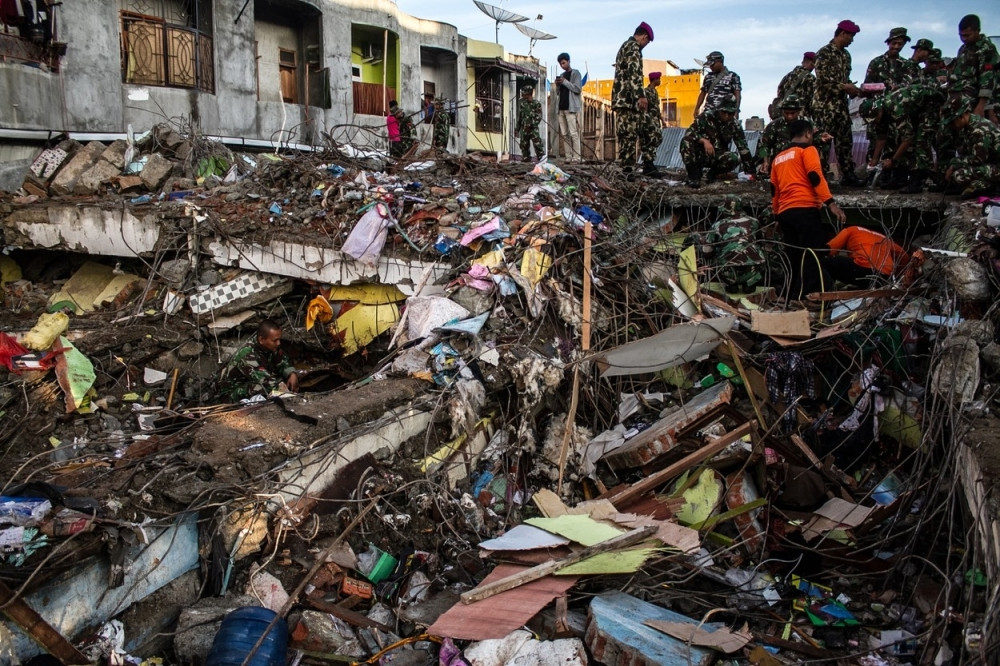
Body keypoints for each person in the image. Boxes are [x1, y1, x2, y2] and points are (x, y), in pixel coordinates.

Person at [770, 118, 846, 296]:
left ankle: (792, 294)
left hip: (785, 213)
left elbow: (774, 189)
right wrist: (831, 203)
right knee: (812, 254)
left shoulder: (778, 158)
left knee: (793, 256)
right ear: (807, 133)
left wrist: (776, 215)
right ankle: (808, 294)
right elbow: (815, 176)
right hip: (805, 209)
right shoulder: (808, 150)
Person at [860, 82, 946, 193]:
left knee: (922, 140)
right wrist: (875, 158)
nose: (875, 121)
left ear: (879, 111)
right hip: (915, 109)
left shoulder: (894, 107)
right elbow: (881, 137)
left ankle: (918, 180)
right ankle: (902, 177)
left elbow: (908, 138)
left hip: (931, 104)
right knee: (898, 139)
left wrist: (892, 160)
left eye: (874, 118)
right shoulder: (880, 114)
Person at [813, 19, 865, 186]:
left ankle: (848, 174)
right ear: (843, 34)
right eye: (851, 36)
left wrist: (853, 89)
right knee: (823, 142)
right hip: (824, 107)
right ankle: (820, 177)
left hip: (841, 107)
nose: (852, 40)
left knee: (845, 141)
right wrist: (845, 87)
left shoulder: (845, 55)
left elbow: (844, 79)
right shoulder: (824, 53)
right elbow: (822, 81)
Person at [680, 94, 755, 187]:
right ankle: (693, 177)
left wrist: (751, 171)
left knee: (734, 158)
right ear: (720, 110)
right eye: (724, 112)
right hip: (700, 153)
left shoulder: (735, 124)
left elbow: (743, 148)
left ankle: (712, 174)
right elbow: (689, 133)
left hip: (717, 156)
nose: (727, 116)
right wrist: (703, 141)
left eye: (731, 113)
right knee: (686, 141)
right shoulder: (706, 117)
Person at [218, 319, 299, 402]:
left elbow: (282, 361)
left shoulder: (270, 346)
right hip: (230, 395)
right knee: (260, 387)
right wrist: (293, 398)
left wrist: (291, 374)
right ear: (261, 340)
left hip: (254, 381)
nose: (278, 343)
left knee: (286, 380)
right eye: (275, 340)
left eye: (279, 339)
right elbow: (267, 382)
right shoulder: (247, 355)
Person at [612, 21, 654, 175]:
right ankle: (628, 169)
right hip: (627, 99)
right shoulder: (633, 46)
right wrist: (641, 95)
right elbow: (634, 72)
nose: (646, 44)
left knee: (635, 132)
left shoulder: (626, 46)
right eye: (647, 41)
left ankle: (641, 165)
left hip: (624, 98)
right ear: (643, 36)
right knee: (629, 134)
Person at [757, 94, 831, 179]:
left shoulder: (807, 122)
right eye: (786, 113)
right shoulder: (774, 125)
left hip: (802, 160)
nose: (789, 116)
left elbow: (816, 136)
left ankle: (818, 175)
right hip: (782, 162)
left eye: (793, 113)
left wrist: (821, 138)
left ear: (799, 111)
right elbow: (764, 146)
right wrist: (765, 161)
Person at [942, 97, 1000, 198]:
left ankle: (991, 187)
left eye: (953, 122)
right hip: (990, 165)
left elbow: (978, 159)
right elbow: (966, 153)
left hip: (996, 166)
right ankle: (983, 186)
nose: (952, 125)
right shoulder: (968, 127)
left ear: (962, 116)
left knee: (960, 175)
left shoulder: (979, 129)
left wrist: (955, 164)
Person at [948, 14, 999, 122]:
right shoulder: (963, 48)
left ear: (978, 31)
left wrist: (981, 106)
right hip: (957, 94)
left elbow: (988, 78)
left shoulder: (986, 49)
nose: (963, 39)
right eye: (961, 36)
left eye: (967, 35)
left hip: (972, 98)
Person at [824, 226, 914, 286]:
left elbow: (828, 250)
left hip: (862, 269)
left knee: (824, 263)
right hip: (884, 277)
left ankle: (824, 293)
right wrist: (897, 275)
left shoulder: (851, 230)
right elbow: (904, 256)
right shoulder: (884, 238)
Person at [865, 27, 918, 92]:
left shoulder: (907, 65)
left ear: (904, 45)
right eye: (894, 43)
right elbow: (867, 87)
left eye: (900, 44)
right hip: (878, 101)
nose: (896, 46)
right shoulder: (876, 62)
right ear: (888, 43)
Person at [768, 52, 816, 120]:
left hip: (785, 114)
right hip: (801, 117)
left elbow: (780, 92)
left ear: (803, 62)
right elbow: (812, 101)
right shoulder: (810, 78)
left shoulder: (788, 76)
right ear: (812, 63)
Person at [554, 52, 583, 162]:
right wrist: (557, 85)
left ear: (569, 61)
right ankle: (568, 156)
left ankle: (577, 157)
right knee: (565, 134)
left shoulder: (576, 74)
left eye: (564, 63)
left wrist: (565, 82)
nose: (562, 65)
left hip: (570, 108)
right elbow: (558, 93)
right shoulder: (561, 75)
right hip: (561, 108)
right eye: (561, 64)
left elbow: (577, 89)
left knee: (573, 133)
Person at [696, 51, 741, 116]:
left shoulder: (733, 76)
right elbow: (703, 93)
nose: (711, 67)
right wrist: (697, 108)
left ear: (720, 62)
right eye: (710, 65)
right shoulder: (708, 77)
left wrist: (736, 111)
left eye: (713, 64)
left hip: (725, 113)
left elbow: (737, 95)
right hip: (709, 112)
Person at [637, 71, 665, 178]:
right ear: (654, 80)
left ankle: (650, 164)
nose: (660, 81)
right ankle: (648, 166)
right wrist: (647, 120)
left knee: (654, 141)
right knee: (648, 142)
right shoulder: (646, 92)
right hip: (648, 121)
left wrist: (662, 120)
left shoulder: (654, 92)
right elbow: (644, 108)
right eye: (658, 79)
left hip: (654, 120)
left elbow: (656, 109)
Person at [515, 85, 544, 162]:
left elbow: (539, 117)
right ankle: (526, 159)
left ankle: (541, 159)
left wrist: (532, 124)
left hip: (533, 129)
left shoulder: (536, 104)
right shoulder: (522, 104)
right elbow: (520, 118)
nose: (522, 95)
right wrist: (517, 129)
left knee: (538, 144)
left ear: (528, 94)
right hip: (524, 128)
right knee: (524, 145)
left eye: (523, 93)